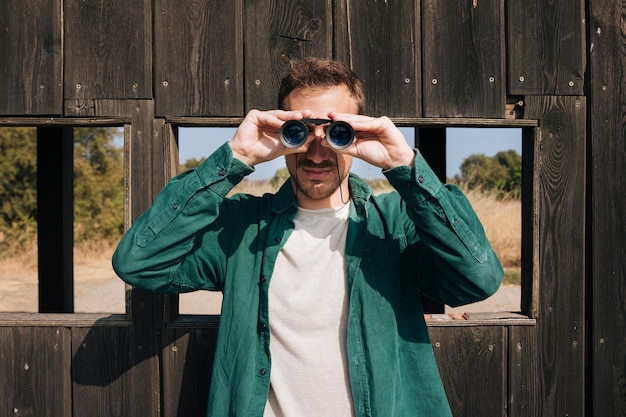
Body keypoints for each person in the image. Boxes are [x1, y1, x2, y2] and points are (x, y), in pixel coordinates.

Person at [112, 57, 503, 417]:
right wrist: (234, 157)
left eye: (337, 132)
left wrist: (406, 167)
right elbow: (138, 261)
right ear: (283, 133)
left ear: (357, 132)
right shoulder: (242, 227)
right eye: (299, 132)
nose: (317, 151)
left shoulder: (395, 223)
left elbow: (478, 278)